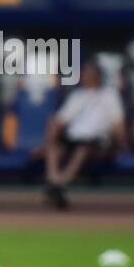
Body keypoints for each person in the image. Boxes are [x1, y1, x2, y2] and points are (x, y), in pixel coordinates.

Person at [44, 59, 125, 209]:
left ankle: (59, 184)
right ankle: (54, 181)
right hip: (75, 137)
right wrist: (52, 133)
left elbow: (118, 124)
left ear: (98, 76)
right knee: (54, 146)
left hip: (99, 139)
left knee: (83, 149)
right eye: (84, 74)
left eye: (89, 74)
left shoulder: (109, 95)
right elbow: (60, 120)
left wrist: (121, 144)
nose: (85, 77)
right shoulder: (77, 95)